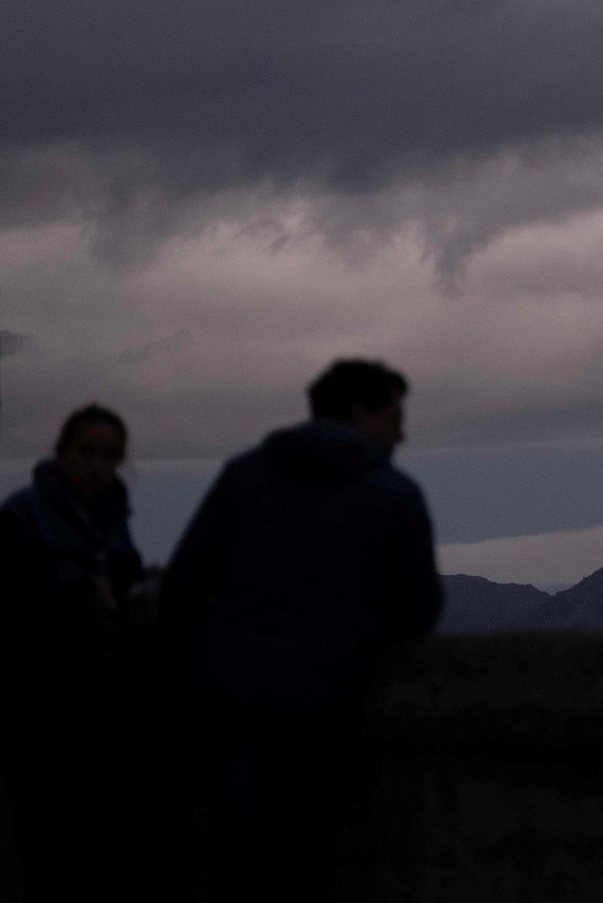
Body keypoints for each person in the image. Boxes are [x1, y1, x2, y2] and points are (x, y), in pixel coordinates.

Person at [160, 358, 442, 901]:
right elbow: (419, 609)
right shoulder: (394, 494)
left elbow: (184, 586)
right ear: (361, 412)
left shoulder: (243, 474)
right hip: (324, 717)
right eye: (393, 417)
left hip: (228, 712)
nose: (402, 433)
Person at [0, 404, 147, 901]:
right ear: (61, 453)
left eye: (110, 456)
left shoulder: (116, 522)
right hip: (40, 716)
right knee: (50, 856)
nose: (98, 465)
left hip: (101, 713)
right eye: (87, 452)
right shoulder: (20, 516)